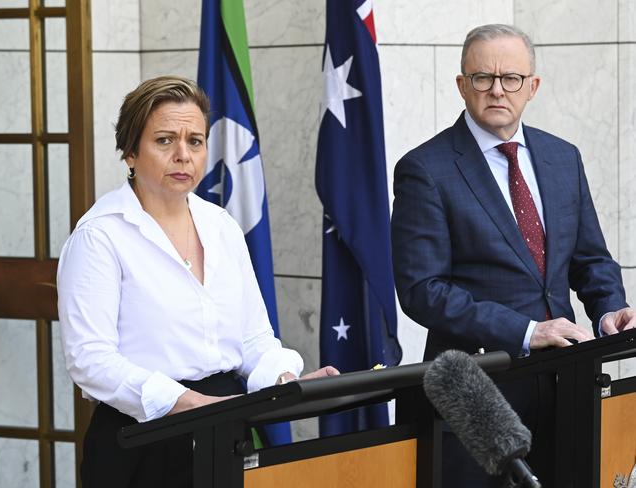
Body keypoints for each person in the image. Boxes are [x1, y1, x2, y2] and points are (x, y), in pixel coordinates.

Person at [57, 75, 338, 488]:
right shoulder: (100, 236)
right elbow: (90, 359)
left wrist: (284, 384)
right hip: (142, 439)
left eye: (195, 141)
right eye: (165, 140)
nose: (183, 156)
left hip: (224, 430)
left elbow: (254, 340)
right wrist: (191, 404)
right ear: (131, 152)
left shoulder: (221, 225)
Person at [391, 24, 635, 487]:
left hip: (568, 384)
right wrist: (525, 331)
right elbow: (423, 291)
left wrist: (609, 312)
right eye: (483, 78)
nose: (497, 89)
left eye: (511, 78)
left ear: (533, 86)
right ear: (462, 85)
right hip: (479, 395)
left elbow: (590, 260)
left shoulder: (563, 157)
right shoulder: (425, 168)